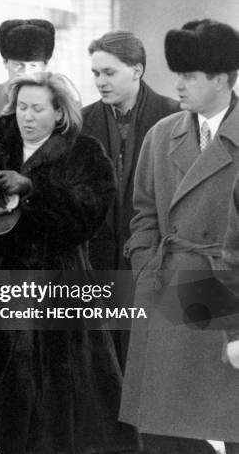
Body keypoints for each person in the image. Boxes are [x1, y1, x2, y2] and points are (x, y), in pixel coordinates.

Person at [0, 72, 139, 454]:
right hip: (0, 283)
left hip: (60, 285)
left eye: (38, 108)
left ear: (59, 113)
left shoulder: (84, 152)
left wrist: (34, 191)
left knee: (64, 398)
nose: (27, 116)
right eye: (21, 106)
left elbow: (88, 217)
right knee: (8, 391)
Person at [121, 19, 239, 454]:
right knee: (162, 431)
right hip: (167, 288)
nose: (178, 85)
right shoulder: (161, 135)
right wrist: (148, 269)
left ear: (222, 78)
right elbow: (143, 216)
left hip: (228, 298)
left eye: (189, 75)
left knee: (231, 425)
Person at [82, 31, 180, 372]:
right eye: (96, 73)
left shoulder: (173, 117)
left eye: (109, 73)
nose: (100, 81)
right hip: (98, 261)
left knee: (152, 362)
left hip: (154, 258)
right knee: (103, 366)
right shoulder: (82, 122)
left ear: (136, 70)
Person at [0, 19, 54, 118]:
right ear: (5, 62)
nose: (25, 72)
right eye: (18, 65)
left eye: (33, 65)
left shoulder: (58, 100)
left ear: (45, 66)